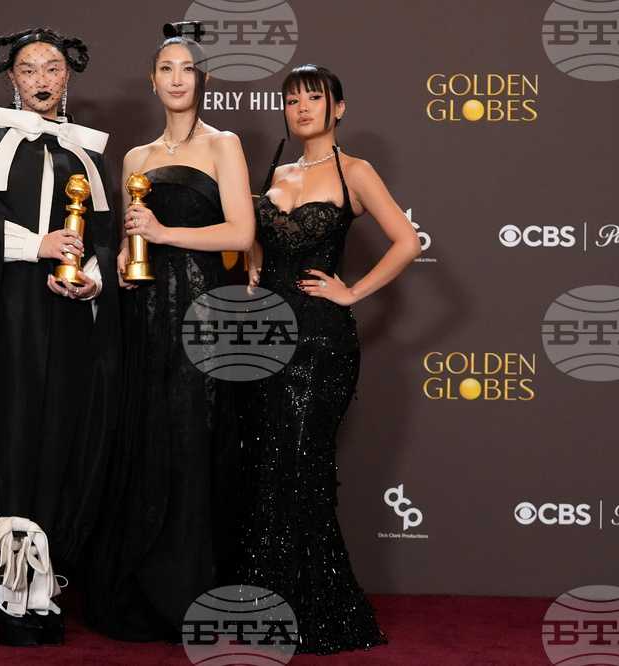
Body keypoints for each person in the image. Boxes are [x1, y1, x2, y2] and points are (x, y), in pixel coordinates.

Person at [0, 27, 121, 647]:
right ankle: (4, 576)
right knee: (7, 432)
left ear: (69, 77)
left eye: (52, 68)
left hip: (68, 320)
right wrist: (38, 245)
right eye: (29, 68)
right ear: (11, 78)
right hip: (5, 316)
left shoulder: (88, 153)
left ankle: (42, 575)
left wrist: (90, 279)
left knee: (58, 433)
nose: (41, 79)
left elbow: (106, 238)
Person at [239, 64, 422, 654]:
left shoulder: (355, 171)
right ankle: (266, 608)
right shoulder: (275, 173)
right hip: (264, 339)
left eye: (314, 98)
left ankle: (317, 612)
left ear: (337, 108)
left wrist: (352, 292)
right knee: (268, 469)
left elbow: (408, 242)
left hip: (321, 341)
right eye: (292, 99)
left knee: (302, 467)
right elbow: (258, 239)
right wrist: (253, 261)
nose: (302, 108)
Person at [83, 23, 255, 642]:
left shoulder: (223, 144)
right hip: (145, 314)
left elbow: (240, 234)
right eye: (166, 69)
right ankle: (144, 585)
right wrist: (124, 265)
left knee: (194, 439)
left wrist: (163, 233)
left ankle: (195, 591)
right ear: (152, 81)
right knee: (147, 435)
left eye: (187, 69)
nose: (177, 79)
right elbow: (130, 242)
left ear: (202, 79)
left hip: (204, 314)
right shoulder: (135, 159)